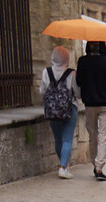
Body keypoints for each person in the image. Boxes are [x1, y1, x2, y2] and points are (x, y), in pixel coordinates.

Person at [75, 41, 106, 181]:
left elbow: (79, 81)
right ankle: (99, 167)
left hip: (90, 103)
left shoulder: (82, 61)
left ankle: (95, 163)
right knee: (104, 136)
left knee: (92, 135)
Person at [39, 46, 81, 179]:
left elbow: (42, 90)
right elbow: (77, 93)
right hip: (69, 109)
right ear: (66, 58)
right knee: (67, 139)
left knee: (58, 139)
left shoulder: (46, 72)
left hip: (52, 110)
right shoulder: (72, 73)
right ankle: (63, 167)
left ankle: (63, 164)